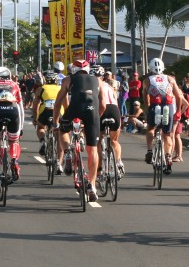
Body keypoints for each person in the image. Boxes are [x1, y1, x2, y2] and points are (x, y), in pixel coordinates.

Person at [53, 60, 105, 203]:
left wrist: (55, 122)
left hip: (74, 109)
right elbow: (104, 104)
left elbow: (58, 103)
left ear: (73, 69)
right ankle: (92, 186)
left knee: (62, 131)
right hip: (92, 113)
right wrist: (95, 120)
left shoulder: (68, 79)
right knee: (92, 150)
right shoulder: (97, 80)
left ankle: (68, 152)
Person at [142, 58, 187, 174]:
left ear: (150, 68)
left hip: (154, 106)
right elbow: (179, 97)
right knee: (167, 134)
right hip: (168, 107)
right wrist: (177, 111)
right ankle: (168, 157)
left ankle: (150, 150)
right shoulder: (170, 79)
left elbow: (145, 97)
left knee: (151, 128)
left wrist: (147, 110)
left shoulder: (147, 80)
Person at [32, 70, 61, 163]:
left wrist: (35, 119)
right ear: (56, 80)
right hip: (59, 112)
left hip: (45, 111)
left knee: (40, 127)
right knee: (59, 134)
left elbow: (36, 105)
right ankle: (59, 162)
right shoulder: (60, 88)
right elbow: (66, 104)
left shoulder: (41, 89)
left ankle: (42, 141)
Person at [100, 67, 124, 175]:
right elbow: (117, 103)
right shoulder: (110, 87)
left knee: (97, 141)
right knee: (114, 141)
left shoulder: (95, 85)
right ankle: (118, 162)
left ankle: (99, 168)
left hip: (103, 109)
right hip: (114, 110)